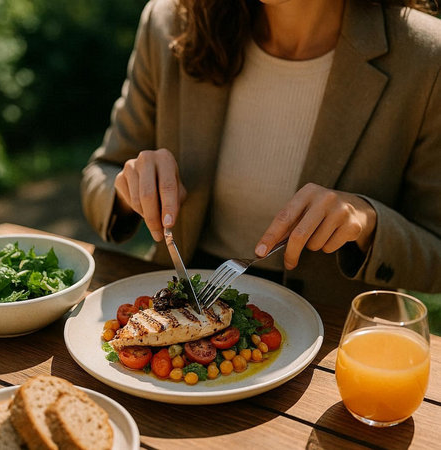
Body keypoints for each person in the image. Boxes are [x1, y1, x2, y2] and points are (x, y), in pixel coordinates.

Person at [81, 0, 441, 309]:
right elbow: (102, 172)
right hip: (175, 306)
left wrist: (368, 222)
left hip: (333, 334)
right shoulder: (170, 21)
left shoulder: (426, 57)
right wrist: (128, 191)